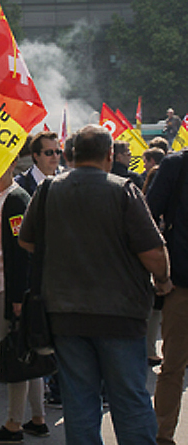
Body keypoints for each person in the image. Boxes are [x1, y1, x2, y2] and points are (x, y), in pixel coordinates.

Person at [19, 124, 169, 445]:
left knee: (79, 402)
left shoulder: (47, 191)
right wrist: (163, 280)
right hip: (120, 314)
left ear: (71, 154)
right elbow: (154, 252)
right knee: (129, 399)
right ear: (109, 155)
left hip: (65, 315)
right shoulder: (123, 190)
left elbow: (27, 241)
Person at [0, 158, 48, 443]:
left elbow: (21, 251)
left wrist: (18, 296)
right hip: (3, 283)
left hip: (10, 288)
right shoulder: (5, 198)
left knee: (15, 353)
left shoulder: (16, 199)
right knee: (26, 353)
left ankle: (12, 423)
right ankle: (37, 418)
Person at [147, 143, 188, 445]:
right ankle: (162, 436)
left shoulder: (175, 166)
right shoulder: (176, 166)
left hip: (179, 282)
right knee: (173, 365)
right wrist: (162, 273)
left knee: (172, 367)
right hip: (181, 285)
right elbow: (146, 220)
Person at [14, 131, 62, 196]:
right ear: (36, 156)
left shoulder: (66, 180)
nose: (55, 156)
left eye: (58, 152)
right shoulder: (20, 184)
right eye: (49, 152)